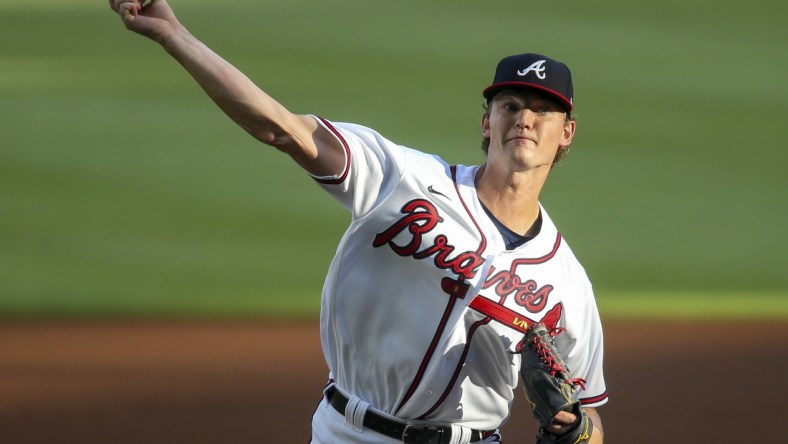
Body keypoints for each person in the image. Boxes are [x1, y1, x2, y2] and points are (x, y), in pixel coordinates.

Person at [109, 1, 608, 443]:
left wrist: (580, 430)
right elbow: (280, 129)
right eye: (511, 105)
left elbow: (590, 417)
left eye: (543, 111)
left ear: (566, 133)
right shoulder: (403, 176)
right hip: (350, 432)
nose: (525, 118)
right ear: (487, 122)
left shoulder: (567, 283)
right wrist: (175, 36)